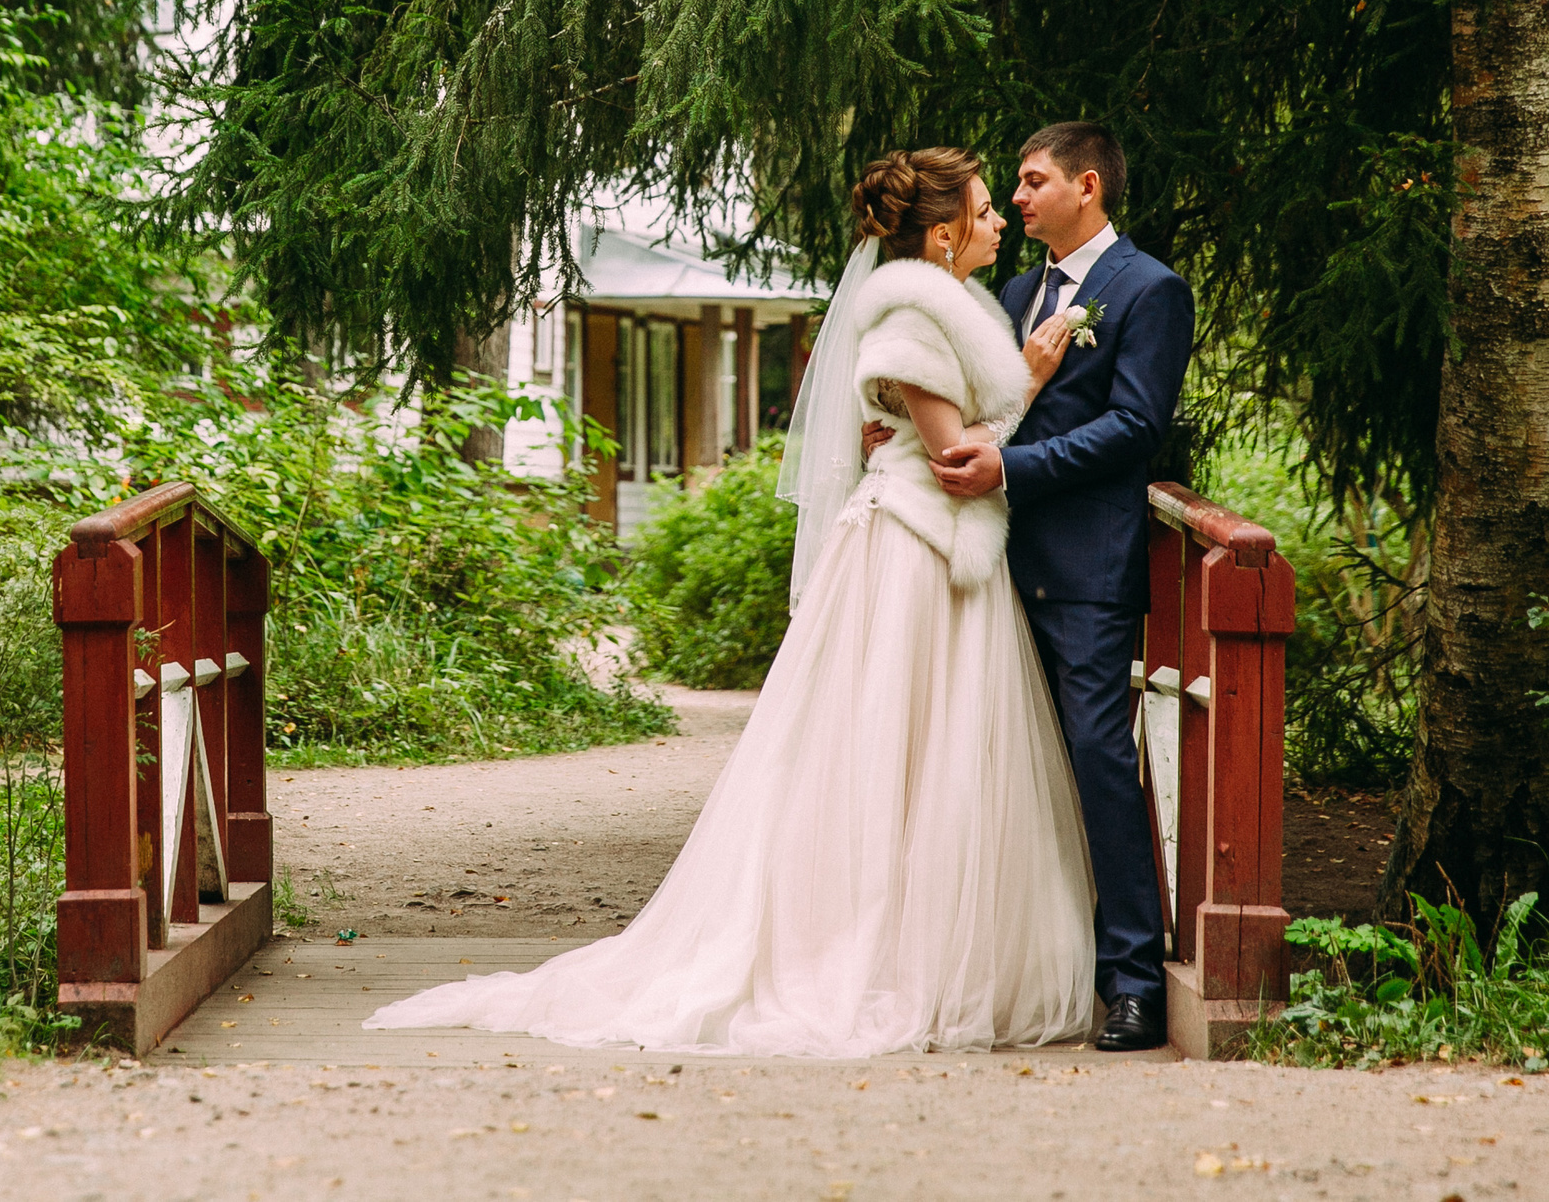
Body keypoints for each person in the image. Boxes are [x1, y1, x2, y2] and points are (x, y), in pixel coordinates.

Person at [364, 147, 1101, 1056]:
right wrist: (1027, 379)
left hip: (935, 552)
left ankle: (931, 946)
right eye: (986, 211)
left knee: (931, 757)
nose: (999, 223)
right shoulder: (913, 313)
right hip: (914, 554)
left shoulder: (938, 308)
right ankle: (878, 954)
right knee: (891, 752)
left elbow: (919, 428)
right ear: (945, 233)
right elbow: (956, 460)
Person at [916, 122, 1194, 1052]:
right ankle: (1023, 968)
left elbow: (1133, 428)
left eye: (1033, 182)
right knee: (998, 766)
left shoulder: (1150, 289)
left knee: (1099, 762)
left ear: (1088, 185)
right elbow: (991, 407)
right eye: (1016, 187)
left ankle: (1132, 983)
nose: (1019, 199)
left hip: (1086, 569)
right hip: (997, 563)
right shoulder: (1012, 290)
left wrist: (1011, 470)